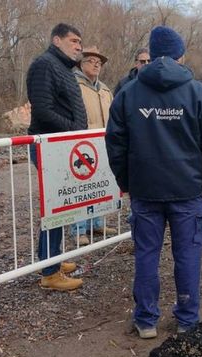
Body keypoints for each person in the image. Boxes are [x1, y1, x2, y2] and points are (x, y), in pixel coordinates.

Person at [105, 26, 202, 338]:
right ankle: (187, 319)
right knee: (187, 256)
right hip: (187, 190)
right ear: (180, 54)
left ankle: (146, 320)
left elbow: (115, 144)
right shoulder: (199, 93)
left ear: (152, 53)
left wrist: (126, 182)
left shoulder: (128, 93)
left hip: (146, 189)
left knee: (147, 254)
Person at [26, 23, 87, 291]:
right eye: (73, 41)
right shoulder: (44, 64)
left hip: (62, 146)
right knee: (54, 207)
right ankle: (49, 273)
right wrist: (74, 130)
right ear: (57, 40)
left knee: (60, 205)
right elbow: (42, 110)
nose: (79, 46)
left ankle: (53, 258)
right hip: (49, 146)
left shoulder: (63, 68)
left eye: (80, 42)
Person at [70, 46, 118, 246]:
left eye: (99, 62)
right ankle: (79, 229)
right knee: (80, 188)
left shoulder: (106, 89)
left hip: (103, 144)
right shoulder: (74, 85)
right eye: (91, 60)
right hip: (80, 146)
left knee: (100, 185)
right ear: (81, 63)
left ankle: (97, 222)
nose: (96, 64)